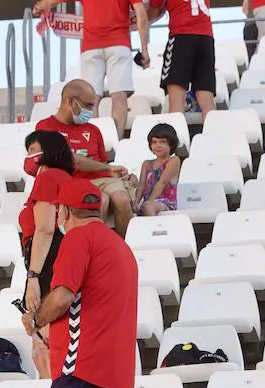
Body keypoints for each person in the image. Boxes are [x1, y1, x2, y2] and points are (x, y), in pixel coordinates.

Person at [23, 178, 138, 388]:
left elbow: (62, 297)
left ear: (63, 211)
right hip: (117, 375)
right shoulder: (121, 247)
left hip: (83, 367)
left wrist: (35, 319)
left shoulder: (78, 238)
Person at [33, 0, 150, 138]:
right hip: (118, 44)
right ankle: (114, 142)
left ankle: (95, 142)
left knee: (91, 99)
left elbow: (52, 1)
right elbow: (141, 13)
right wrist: (144, 49)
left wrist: (40, 6)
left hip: (92, 46)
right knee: (118, 97)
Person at [35, 80, 135, 235]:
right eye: (88, 105)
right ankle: (94, 248)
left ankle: (123, 248)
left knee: (122, 199)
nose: (91, 110)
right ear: (70, 101)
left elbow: (101, 162)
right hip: (71, 182)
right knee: (99, 201)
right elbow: (71, 160)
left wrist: (117, 174)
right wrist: (108, 168)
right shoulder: (46, 127)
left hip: (101, 179)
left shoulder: (93, 130)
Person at [20, 130, 76, 315]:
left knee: (44, 326)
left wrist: (33, 277)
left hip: (47, 256)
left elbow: (45, 230)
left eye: (33, 150)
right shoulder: (65, 178)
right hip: (58, 252)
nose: (28, 156)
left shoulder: (47, 179)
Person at [162, 0, 218, 120]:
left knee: (176, 101)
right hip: (206, 38)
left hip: (181, 36)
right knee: (207, 101)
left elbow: (153, 9)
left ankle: (178, 136)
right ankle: (213, 136)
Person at [136, 123, 181, 215]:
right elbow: (141, 186)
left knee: (148, 207)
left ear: (171, 144)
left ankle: (152, 228)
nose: (158, 145)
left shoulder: (173, 160)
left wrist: (149, 202)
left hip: (167, 202)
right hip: (148, 202)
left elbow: (162, 182)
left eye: (162, 142)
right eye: (154, 142)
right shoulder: (147, 164)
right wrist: (136, 203)